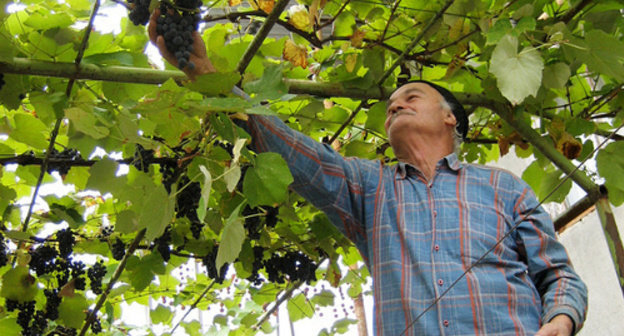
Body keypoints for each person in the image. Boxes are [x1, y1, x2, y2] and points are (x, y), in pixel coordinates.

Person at [149, 10, 588, 336]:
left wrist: (560, 323)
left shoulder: (502, 186)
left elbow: (558, 274)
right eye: (390, 104)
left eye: (411, 96)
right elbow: (292, 150)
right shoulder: (370, 186)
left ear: (451, 118)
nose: (396, 104)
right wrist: (203, 72)